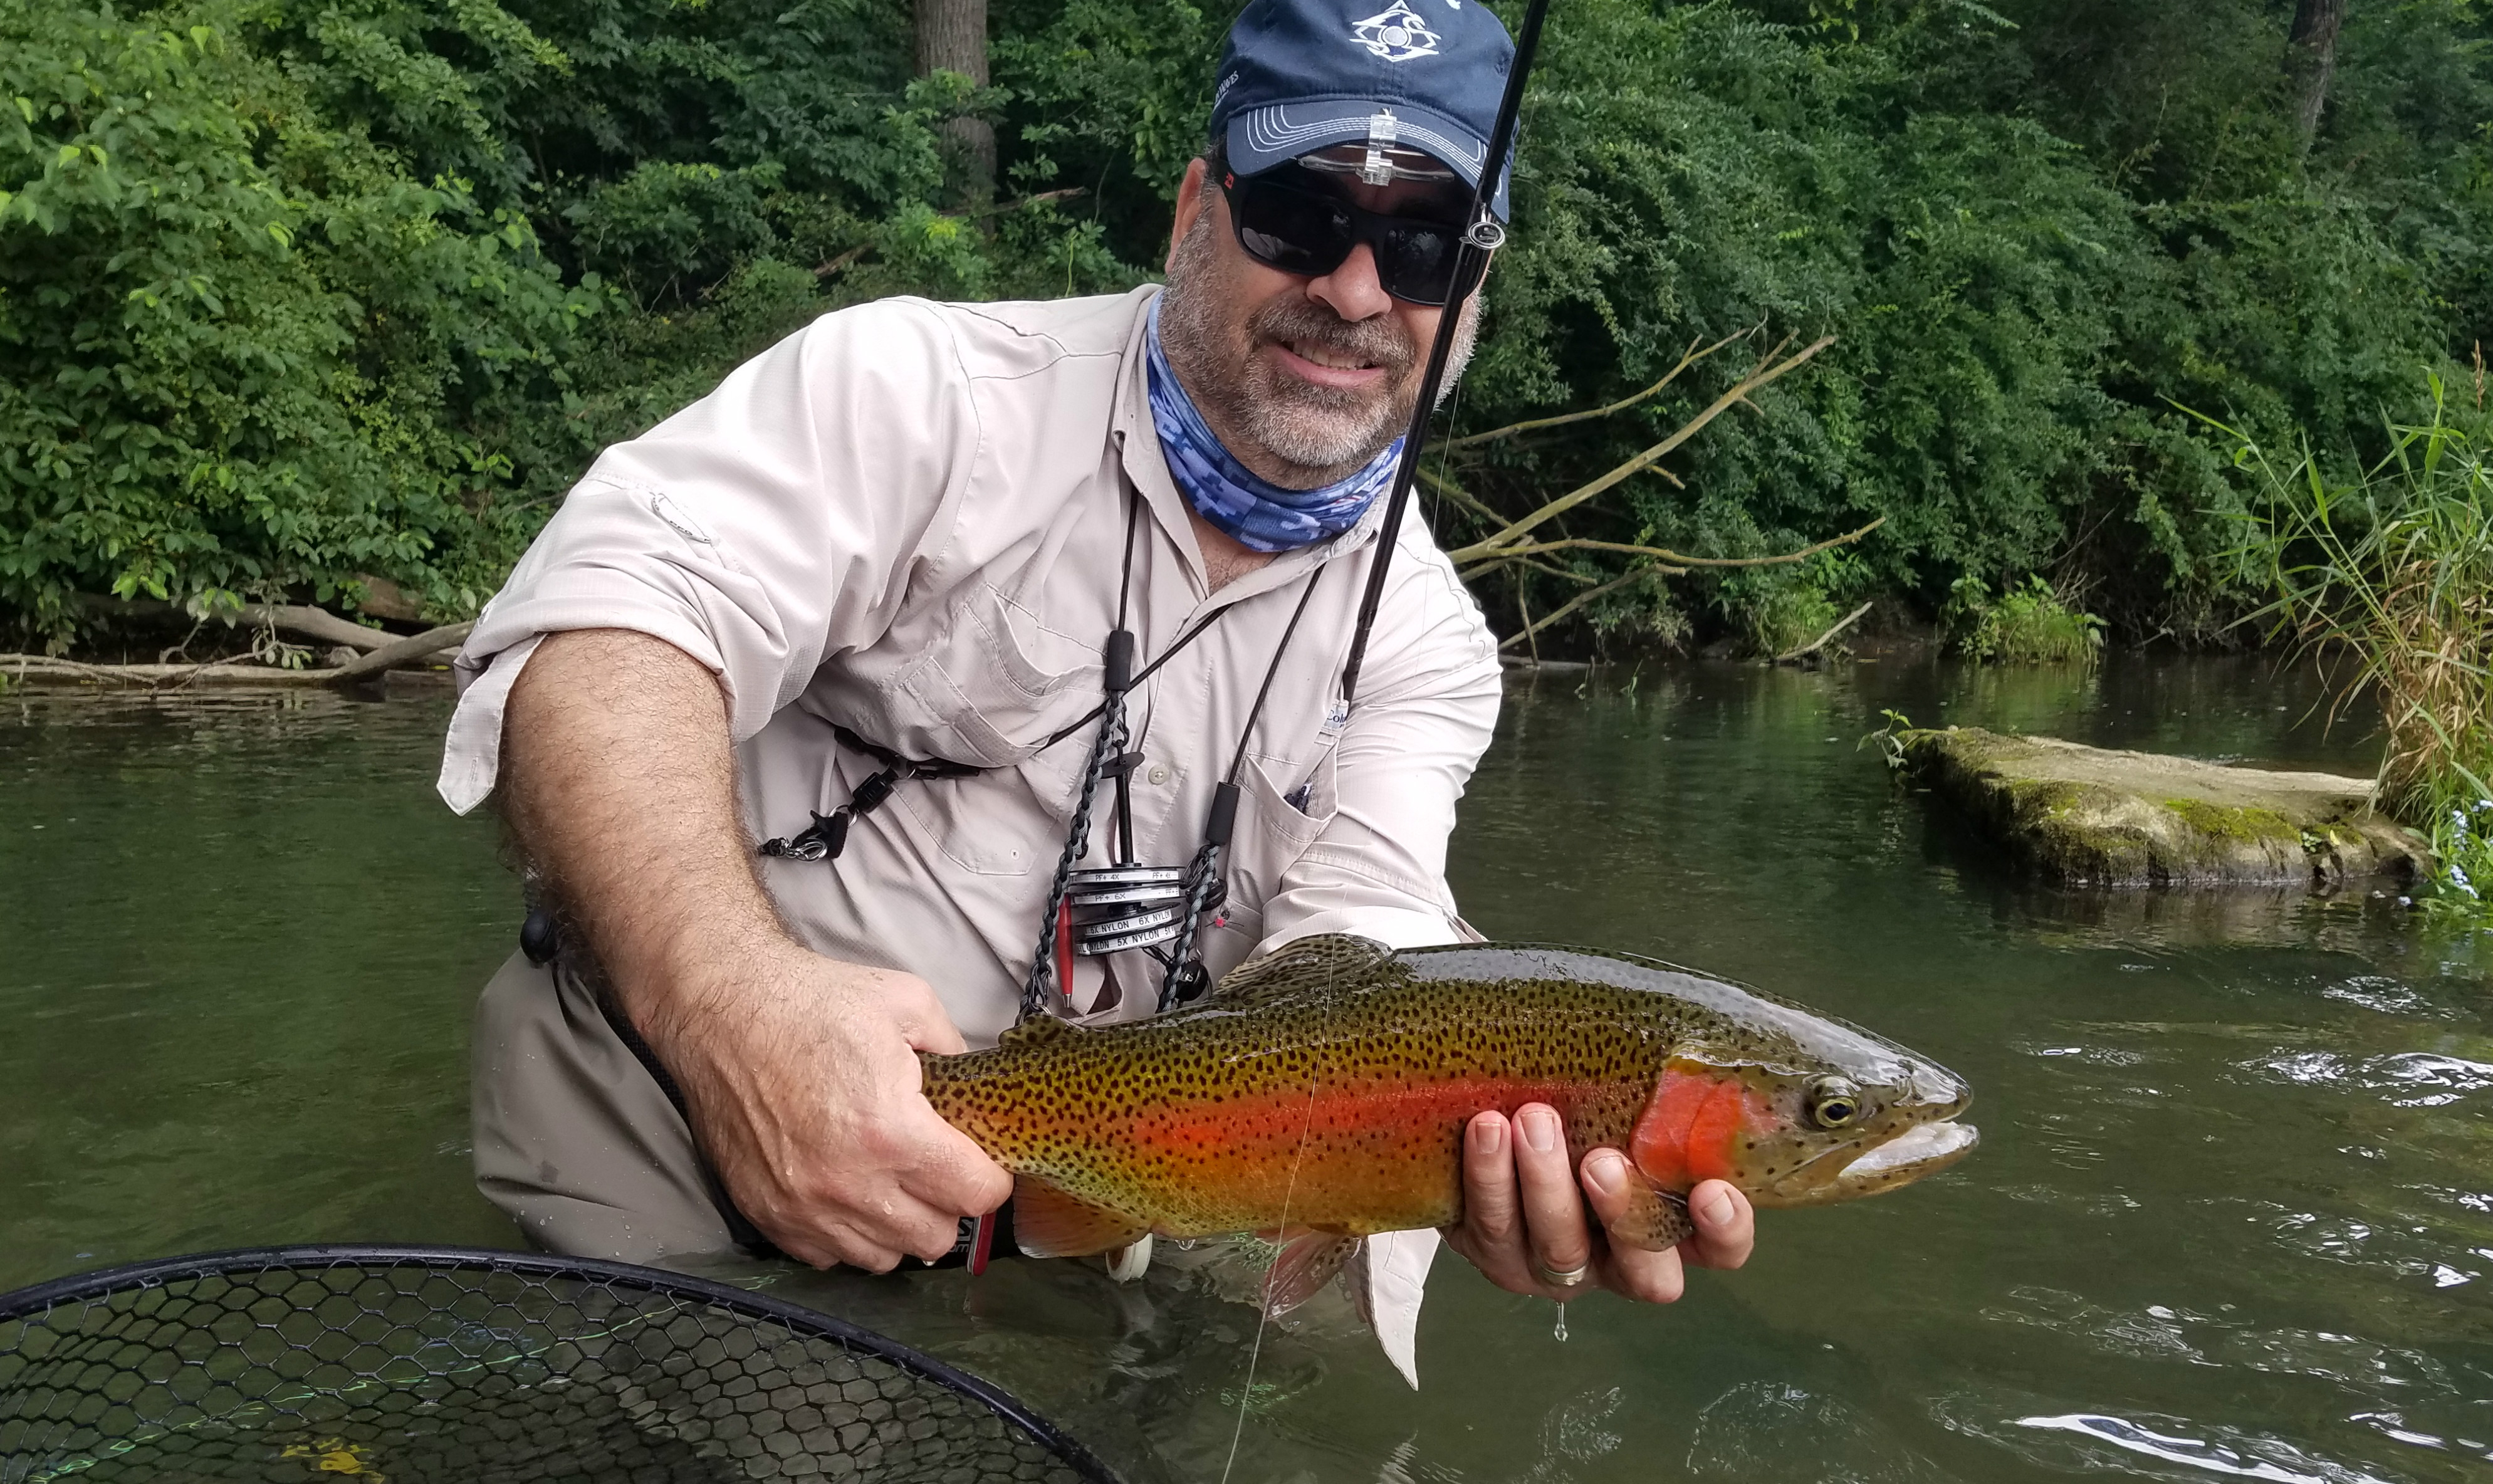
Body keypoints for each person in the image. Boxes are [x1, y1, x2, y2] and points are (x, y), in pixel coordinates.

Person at [436, 0, 1753, 1385]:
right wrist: (733, 1016)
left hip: (1085, 1191)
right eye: (1302, 216)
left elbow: (1367, 947)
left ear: (1471, 289)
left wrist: (1465, 1142)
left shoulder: (1426, 642)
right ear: (1198, 207)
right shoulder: (922, 393)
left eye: (1424, 244)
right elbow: (602, 637)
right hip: (672, 1109)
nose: (1359, 291)